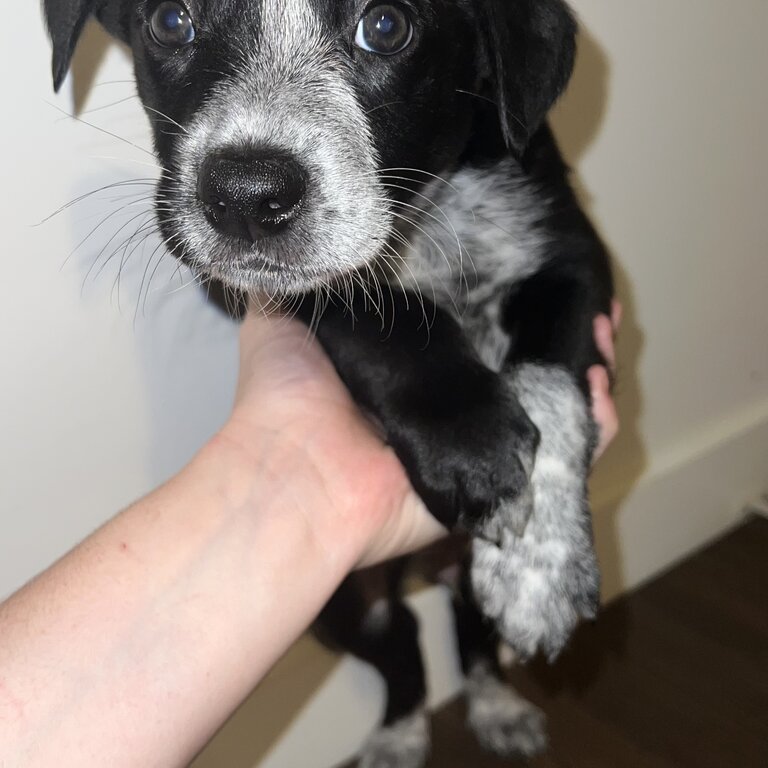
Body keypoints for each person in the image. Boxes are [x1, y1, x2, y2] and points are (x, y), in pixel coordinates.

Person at [0, 307, 620, 767]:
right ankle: (405, 707)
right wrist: (303, 486)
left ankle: (486, 684)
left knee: (486, 567)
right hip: (353, 449)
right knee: (355, 615)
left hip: (465, 440)